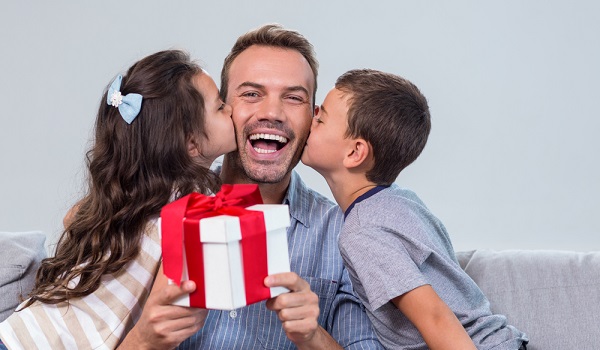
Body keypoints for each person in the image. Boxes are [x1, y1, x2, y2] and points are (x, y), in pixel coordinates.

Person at [123, 24, 383, 350]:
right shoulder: (157, 207)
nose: (272, 113)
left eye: (293, 98)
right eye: (251, 94)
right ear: (220, 110)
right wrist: (144, 340)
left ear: (313, 119)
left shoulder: (345, 234)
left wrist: (313, 336)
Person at [0, 49, 237, 349]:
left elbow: (72, 218)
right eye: (219, 107)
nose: (230, 110)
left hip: (20, 331)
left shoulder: (141, 189)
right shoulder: (196, 205)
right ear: (191, 143)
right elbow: (167, 314)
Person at [301, 68, 529, 349]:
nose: (309, 120)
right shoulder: (400, 201)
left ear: (355, 153)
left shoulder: (363, 231)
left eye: (320, 118)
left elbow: (435, 317)